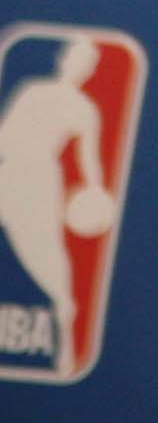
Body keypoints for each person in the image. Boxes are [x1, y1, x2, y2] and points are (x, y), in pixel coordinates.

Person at [0, 38, 115, 375]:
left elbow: (90, 163)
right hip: (9, 171)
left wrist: (95, 195)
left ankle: (65, 337)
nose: (78, 65)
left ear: (90, 70)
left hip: (41, 182)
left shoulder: (85, 110)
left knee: (49, 258)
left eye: (86, 62)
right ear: (63, 58)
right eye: (74, 57)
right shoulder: (32, 91)